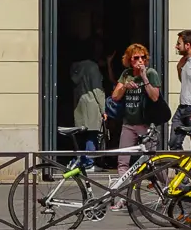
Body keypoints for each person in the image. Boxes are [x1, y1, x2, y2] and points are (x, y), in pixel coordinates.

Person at [110, 43, 161, 211]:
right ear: (129, 60)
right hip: (129, 124)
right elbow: (115, 97)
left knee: (153, 163)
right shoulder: (126, 74)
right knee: (123, 162)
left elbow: (155, 97)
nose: (140, 61)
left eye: (143, 58)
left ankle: (169, 192)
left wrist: (145, 77)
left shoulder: (151, 73)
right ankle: (121, 198)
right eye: (136, 58)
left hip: (146, 125)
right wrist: (125, 86)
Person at [69, 39, 105, 172]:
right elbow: (97, 90)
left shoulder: (75, 67)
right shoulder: (92, 67)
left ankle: (79, 160)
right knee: (92, 134)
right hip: (92, 104)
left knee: (81, 135)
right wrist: (103, 109)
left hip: (79, 104)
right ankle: (89, 162)